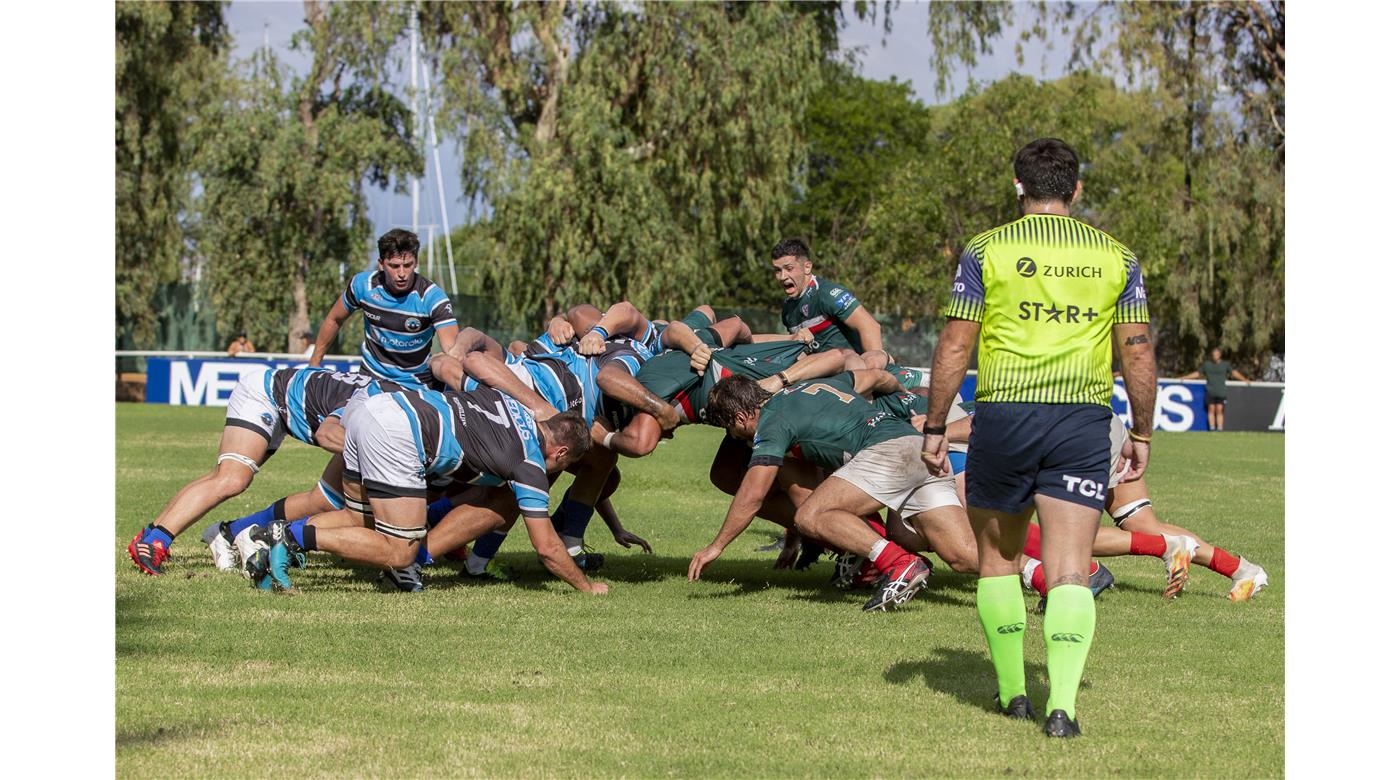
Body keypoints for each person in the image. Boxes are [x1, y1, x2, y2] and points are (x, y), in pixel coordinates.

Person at [920, 138, 1158, 738]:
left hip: (1003, 417)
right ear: (1076, 190)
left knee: (998, 563)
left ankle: (1012, 694)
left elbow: (954, 345)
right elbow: (1137, 350)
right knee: (1071, 567)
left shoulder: (985, 250)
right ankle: (1064, 709)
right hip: (1080, 420)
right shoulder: (1117, 256)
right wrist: (1142, 430)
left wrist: (933, 425)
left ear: (1017, 186)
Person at [257, 385, 599, 594]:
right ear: (561, 452)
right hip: (399, 433)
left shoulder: (509, 403)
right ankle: (290, 537)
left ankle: (265, 546)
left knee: (359, 521)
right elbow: (548, 547)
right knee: (400, 552)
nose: (556, 471)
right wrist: (586, 587)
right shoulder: (530, 462)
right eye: (563, 466)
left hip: (369, 410)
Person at [694, 371, 978, 612]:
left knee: (810, 515)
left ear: (742, 416)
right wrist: (900, 390)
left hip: (888, 452)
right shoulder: (813, 385)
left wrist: (716, 546)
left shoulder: (771, 421)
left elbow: (753, 494)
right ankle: (1025, 572)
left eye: (730, 428)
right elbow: (875, 375)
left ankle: (899, 563)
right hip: (919, 448)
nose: (733, 437)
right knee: (963, 555)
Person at [126, 367, 375, 576]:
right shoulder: (374, 402)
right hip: (266, 395)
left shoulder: (394, 398)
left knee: (325, 503)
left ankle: (225, 533)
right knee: (232, 478)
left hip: (292, 407)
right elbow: (327, 434)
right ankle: (154, 541)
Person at [307, 228, 459, 387]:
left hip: (417, 384)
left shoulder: (432, 298)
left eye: (407, 265)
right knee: (338, 412)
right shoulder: (362, 286)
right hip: (371, 379)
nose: (402, 273)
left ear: (416, 262)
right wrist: (313, 366)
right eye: (394, 266)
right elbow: (334, 319)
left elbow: (452, 349)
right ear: (381, 264)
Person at [1178, 347, 1250, 431]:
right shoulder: (1206, 364)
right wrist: (1184, 377)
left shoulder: (1225, 364)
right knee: (1211, 409)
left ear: (1220, 355)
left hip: (1221, 391)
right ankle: (1212, 428)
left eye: (1217, 354)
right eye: (1213, 355)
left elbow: (1234, 373)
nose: (1215, 356)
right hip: (1210, 391)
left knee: (1219, 410)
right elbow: (1197, 373)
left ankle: (1219, 428)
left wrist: (1244, 379)